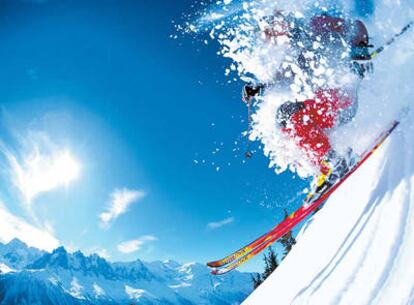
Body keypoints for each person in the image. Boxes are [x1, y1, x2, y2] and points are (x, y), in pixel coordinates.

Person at [242, 12, 373, 182]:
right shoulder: (295, 53)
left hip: (342, 98)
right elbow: (280, 78)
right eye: (267, 35)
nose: (272, 38)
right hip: (327, 108)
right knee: (285, 120)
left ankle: (335, 162)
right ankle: (330, 164)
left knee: (289, 112)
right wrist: (259, 87)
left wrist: (359, 48)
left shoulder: (315, 25)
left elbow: (357, 26)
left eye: (271, 30)